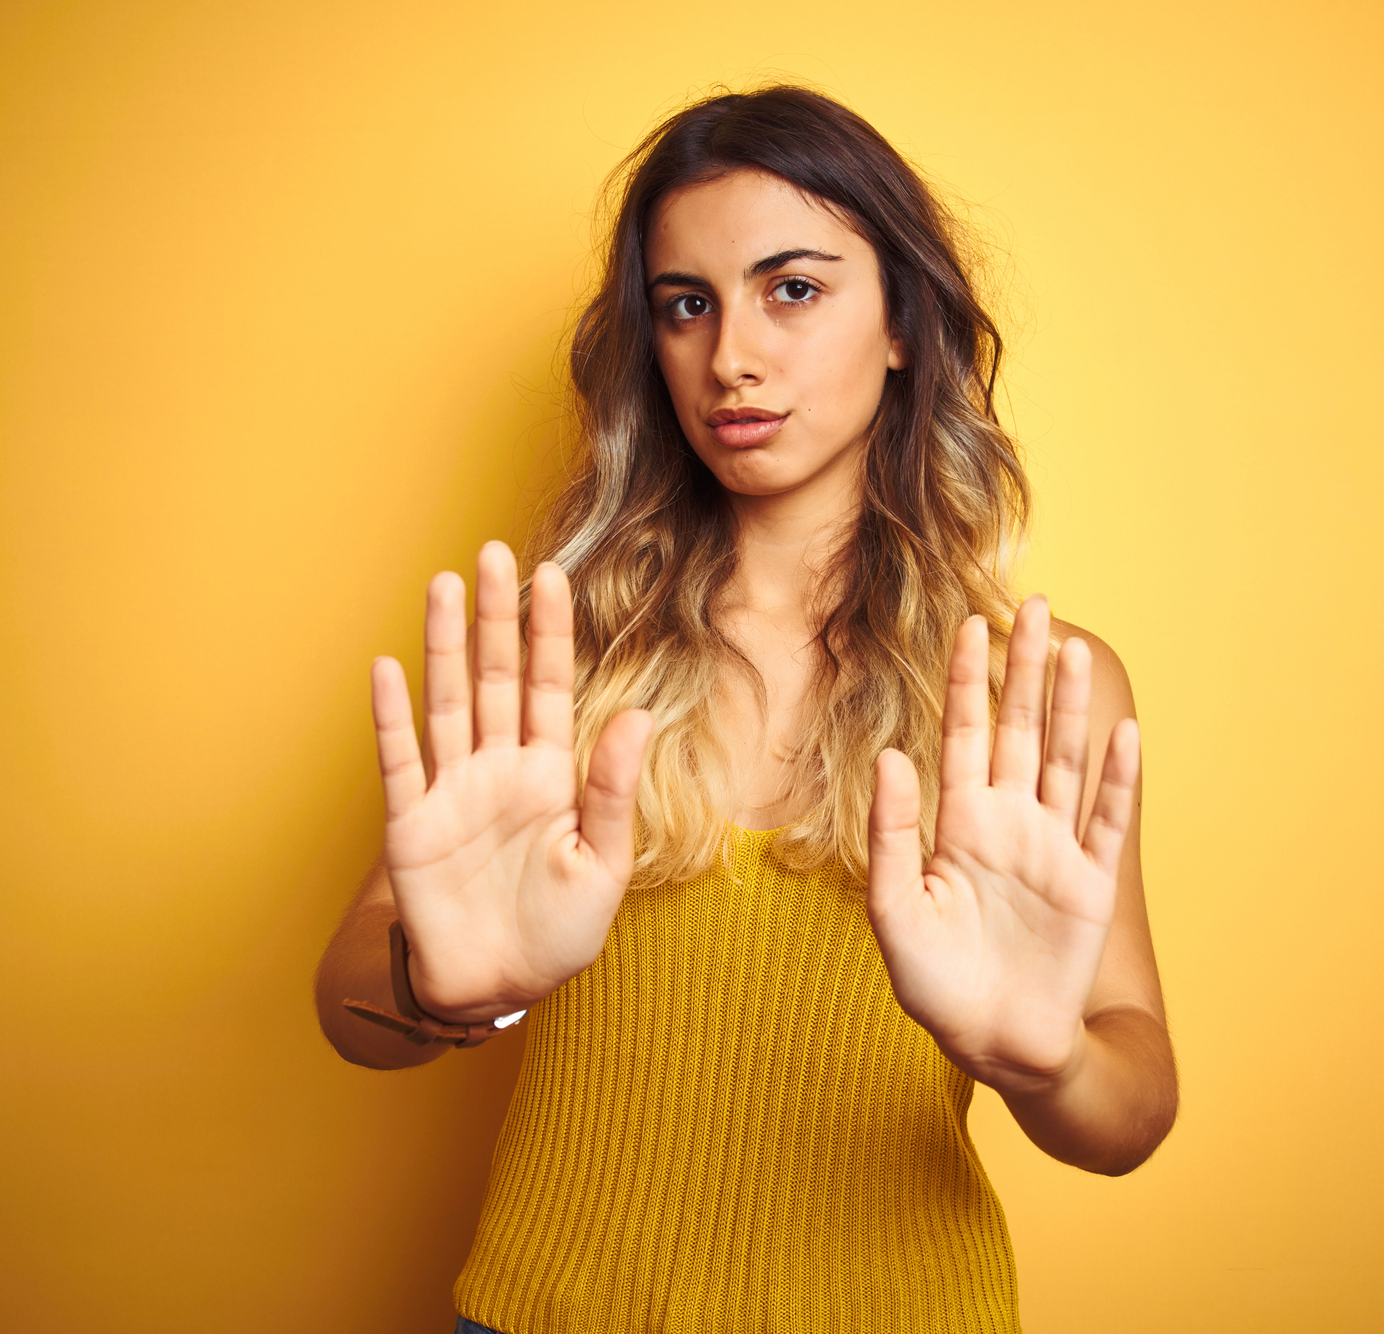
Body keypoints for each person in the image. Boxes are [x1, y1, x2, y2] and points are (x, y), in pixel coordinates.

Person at [314, 85, 1177, 1333]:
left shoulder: (1034, 688)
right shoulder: (560, 650)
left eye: (793, 288)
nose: (730, 356)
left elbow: (1130, 1098)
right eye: (685, 304)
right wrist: (442, 989)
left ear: (900, 322)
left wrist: (1042, 1057)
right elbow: (353, 1009)